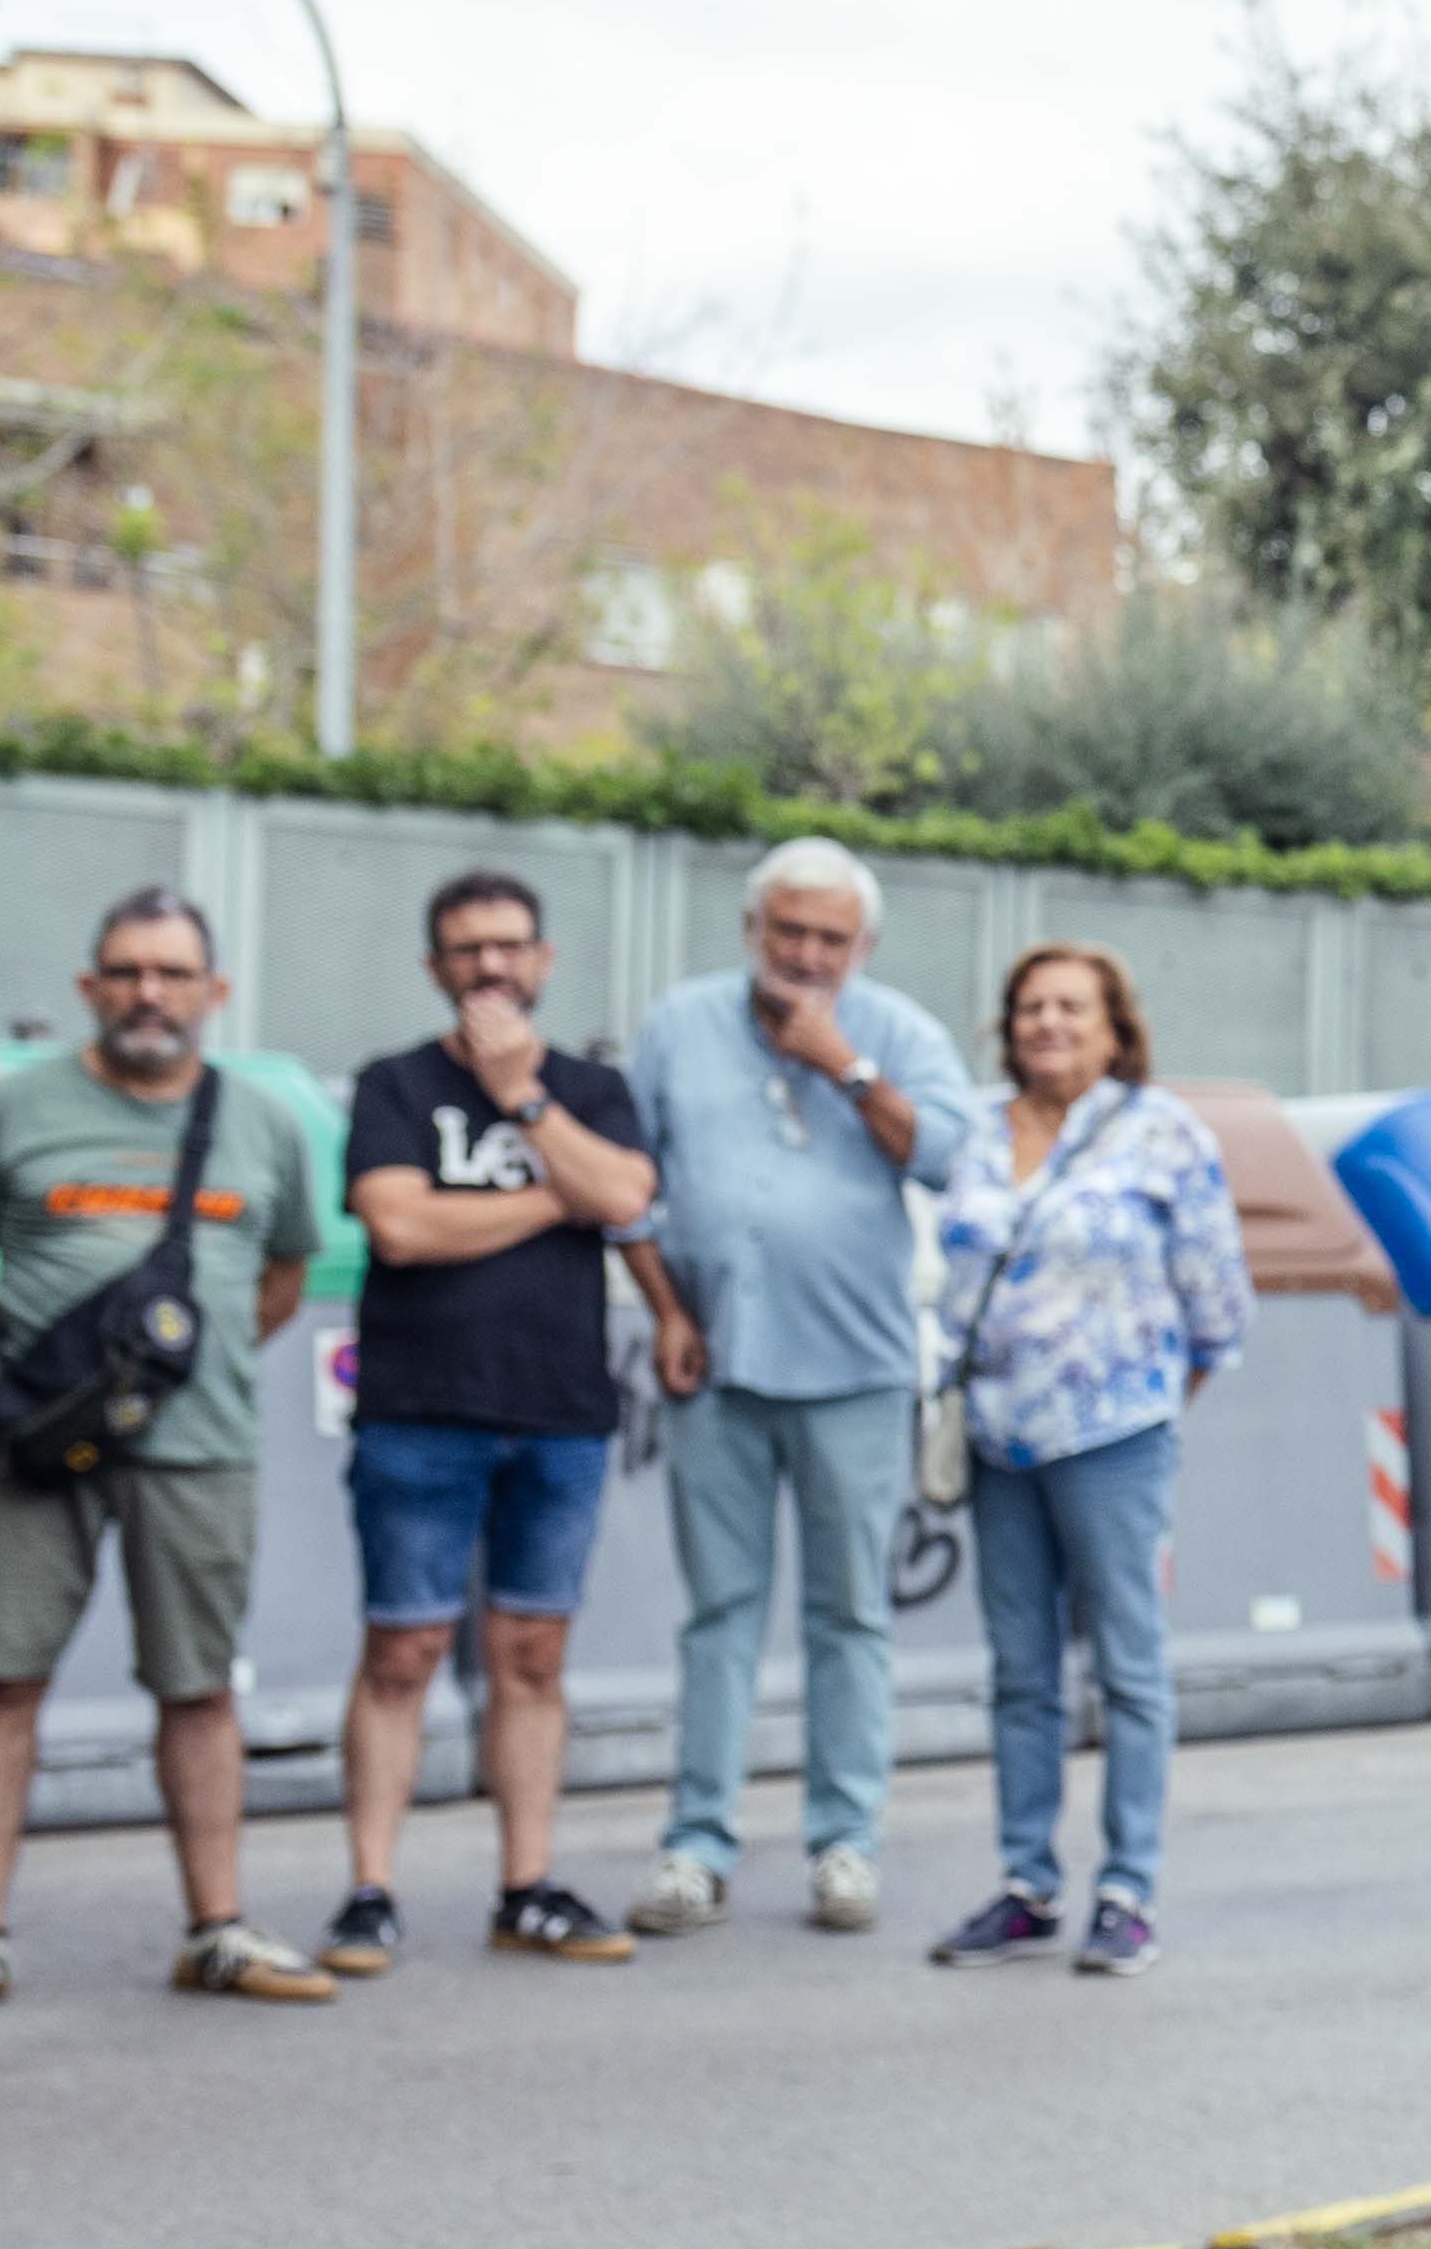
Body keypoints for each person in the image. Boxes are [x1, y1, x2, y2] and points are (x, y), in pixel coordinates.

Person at [0, 887, 336, 2016]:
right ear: (88, 988)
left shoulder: (263, 1119)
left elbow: (281, 1281)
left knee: (199, 1690)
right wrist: (10, 1383)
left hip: (202, 1448)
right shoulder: (16, 1109)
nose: (148, 994)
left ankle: (216, 1929)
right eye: (126, 971)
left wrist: (172, 1372)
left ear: (213, 992)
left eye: (173, 974)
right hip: (32, 1449)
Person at [616, 836, 978, 1937]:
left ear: (862, 945)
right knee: (719, 1611)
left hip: (855, 1370)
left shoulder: (901, 1030)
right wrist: (668, 1310)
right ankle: (697, 1846)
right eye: (790, 933)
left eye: (831, 938)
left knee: (850, 1612)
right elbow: (629, 1179)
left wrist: (846, 1066)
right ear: (752, 932)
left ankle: (845, 1845)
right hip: (715, 1362)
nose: (808, 955)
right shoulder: (680, 1023)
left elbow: (952, 1157)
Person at [325, 867, 659, 1977]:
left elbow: (624, 1199)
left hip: (558, 1414)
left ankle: (528, 1886)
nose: (492, 968)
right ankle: (370, 1888)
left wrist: (524, 1102)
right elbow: (401, 1226)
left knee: (532, 1656)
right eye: (468, 951)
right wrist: (553, 1194)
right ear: (435, 967)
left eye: (511, 947)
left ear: (545, 960)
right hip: (420, 1411)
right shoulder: (393, 1084)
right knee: (403, 1651)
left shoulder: (587, 1089)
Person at [924, 945, 1250, 1980]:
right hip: (998, 1439)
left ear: (1115, 1025)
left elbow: (1218, 1304)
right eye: (1029, 1008)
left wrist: (1145, 1402)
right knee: (1021, 1669)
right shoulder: (978, 1130)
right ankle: (1027, 1884)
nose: (1047, 1024)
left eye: (1071, 1007)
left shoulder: (1163, 1133)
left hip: (1114, 1437)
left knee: (1127, 1664)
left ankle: (1127, 1890)